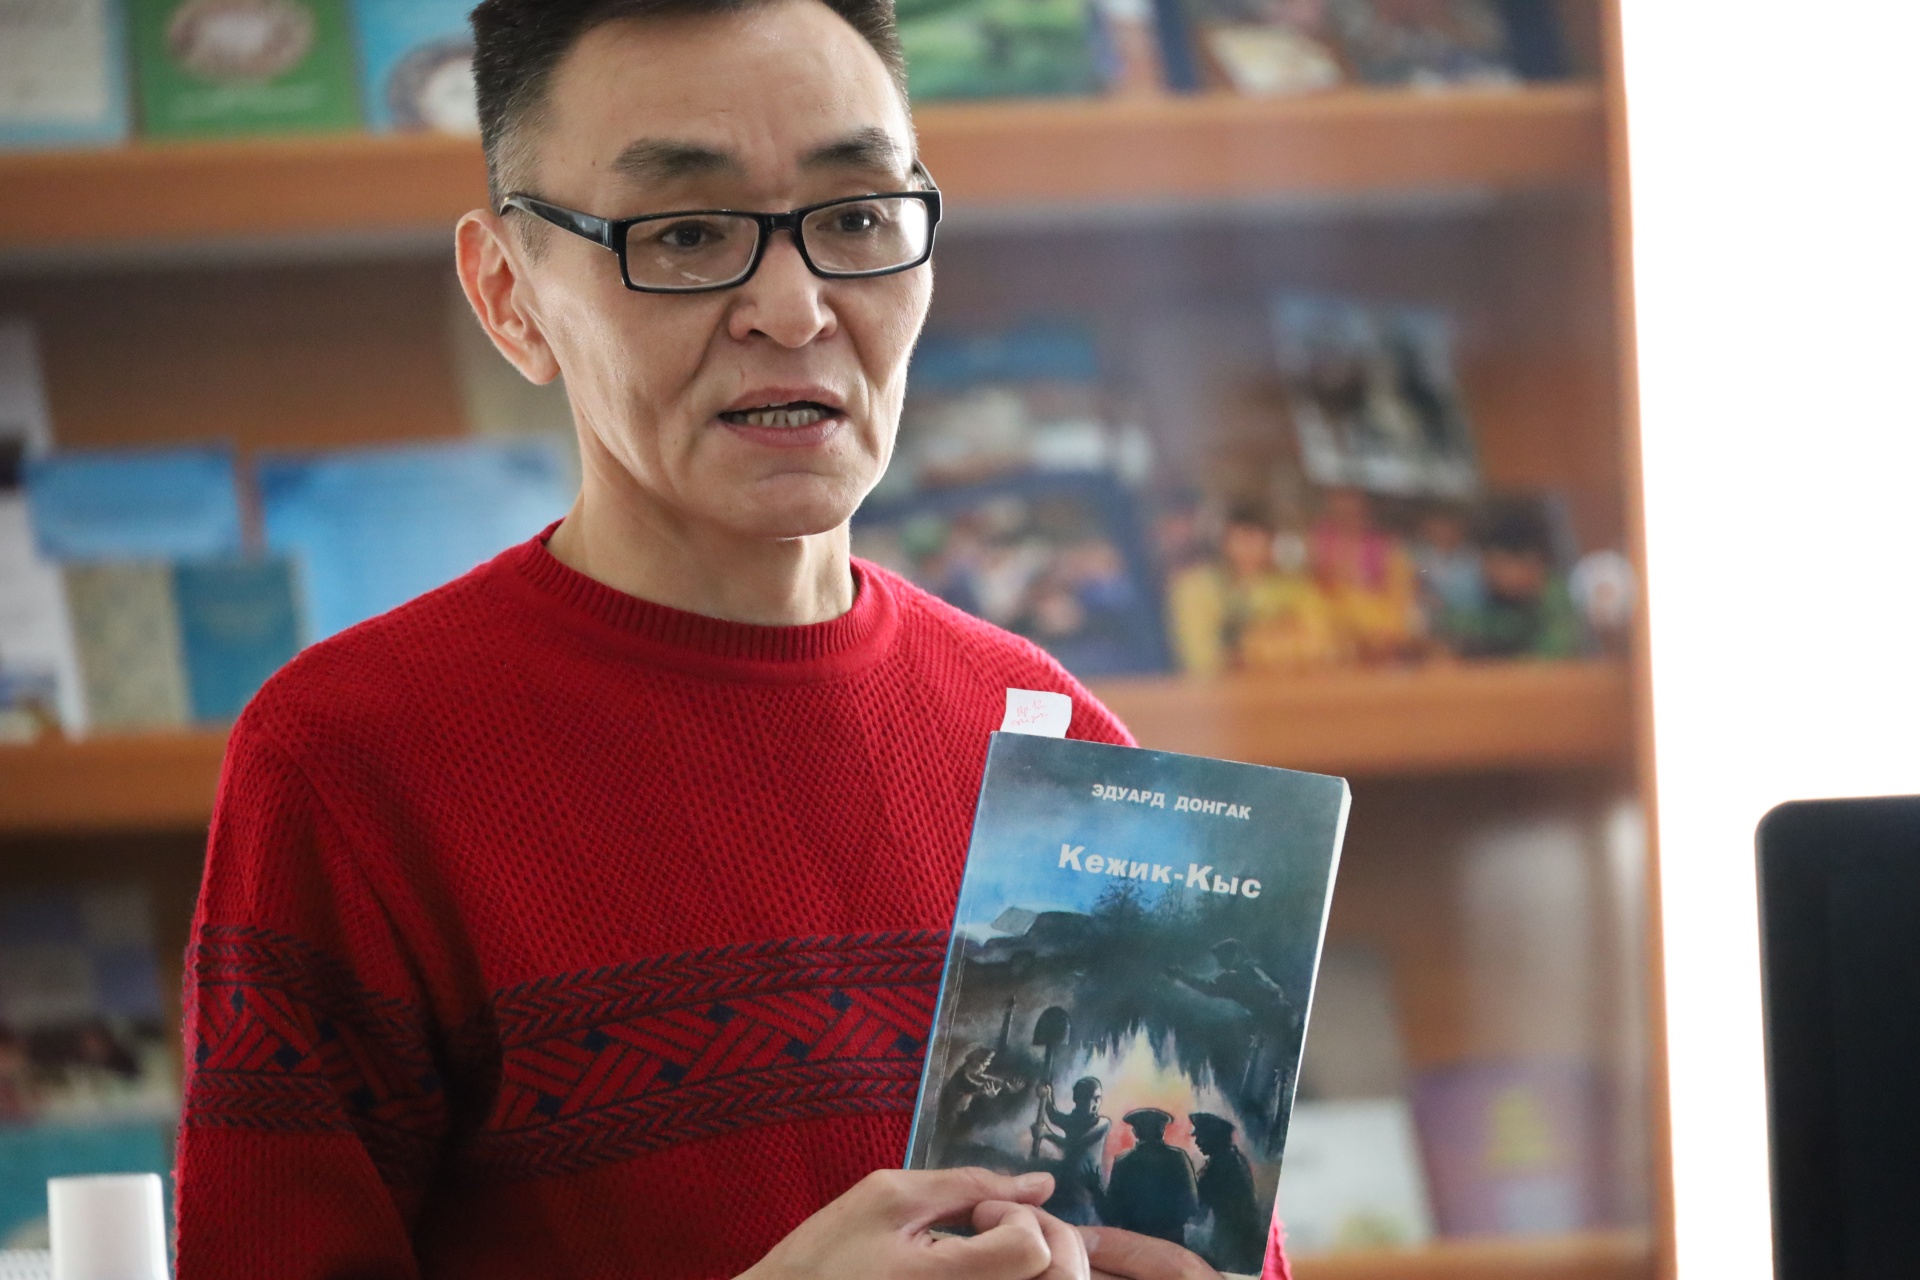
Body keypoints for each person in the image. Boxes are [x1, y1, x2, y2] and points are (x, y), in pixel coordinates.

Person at [167, 2, 1277, 1279]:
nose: (795, 311)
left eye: (856, 218)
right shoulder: (349, 762)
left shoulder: (1054, 735)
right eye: (687, 234)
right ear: (511, 296)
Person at [1104, 1108, 1198, 1245]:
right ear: (1162, 1130)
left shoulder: (1123, 1162)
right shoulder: (1178, 1158)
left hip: (1134, 1242)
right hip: (1171, 1241)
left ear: (1135, 1131)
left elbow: (1112, 1213)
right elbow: (1191, 1205)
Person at [1188, 1113, 1264, 1274]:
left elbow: (1199, 1209)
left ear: (1213, 1137)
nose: (1197, 1142)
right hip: (1245, 1235)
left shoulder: (1218, 1166)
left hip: (1232, 1239)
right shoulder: (1234, 1158)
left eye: (1201, 1136)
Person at [1037, 1076, 1112, 1225]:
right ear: (1077, 1099)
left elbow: (1078, 1144)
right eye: (1089, 1098)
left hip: (1085, 1189)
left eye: (1098, 1098)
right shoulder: (1073, 1120)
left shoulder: (1103, 1124)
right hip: (1066, 1185)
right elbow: (1053, 1116)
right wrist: (1047, 1095)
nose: (1095, 1103)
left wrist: (1047, 1134)